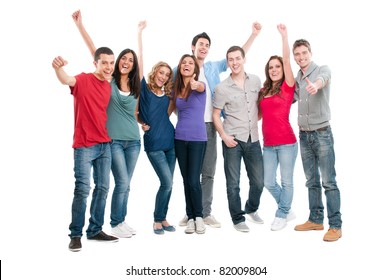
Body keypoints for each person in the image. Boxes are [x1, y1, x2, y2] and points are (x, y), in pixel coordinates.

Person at [177, 22, 262, 228]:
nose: (203, 47)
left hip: (210, 126)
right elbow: (170, 93)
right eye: (200, 44)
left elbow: (236, 59)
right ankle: (191, 213)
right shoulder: (182, 67)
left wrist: (253, 35)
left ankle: (205, 213)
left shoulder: (213, 66)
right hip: (188, 128)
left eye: (207, 45)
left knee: (208, 171)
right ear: (193, 47)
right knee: (189, 174)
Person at [72, 10, 141, 238]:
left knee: (125, 183)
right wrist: (81, 26)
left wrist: (144, 122)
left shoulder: (135, 85)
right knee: (120, 181)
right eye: (123, 58)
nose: (125, 62)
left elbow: (135, 112)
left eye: (130, 61)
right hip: (110, 140)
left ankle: (119, 220)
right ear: (115, 61)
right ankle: (114, 222)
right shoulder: (107, 79)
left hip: (133, 139)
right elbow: (95, 52)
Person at [52, 48, 119, 252]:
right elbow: (66, 80)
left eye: (111, 63)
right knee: (82, 189)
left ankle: (95, 230)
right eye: (104, 63)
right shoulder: (83, 80)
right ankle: (75, 235)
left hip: (104, 144)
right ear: (95, 63)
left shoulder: (108, 85)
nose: (108, 67)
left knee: (103, 188)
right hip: (84, 145)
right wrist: (58, 68)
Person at [292, 39, 343, 242]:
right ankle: (315, 219)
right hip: (304, 135)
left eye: (304, 53)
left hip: (322, 134)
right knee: (311, 181)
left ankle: (336, 226)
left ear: (310, 53)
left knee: (328, 181)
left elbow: (324, 78)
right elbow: (292, 95)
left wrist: (316, 85)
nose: (301, 57)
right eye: (297, 54)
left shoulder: (322, 69)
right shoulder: (298, 76)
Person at [212, 46, 264, 232]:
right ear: (228, 62)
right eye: (231, 60)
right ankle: (237, 218)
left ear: (244, 59)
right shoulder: (221, 88)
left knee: (259, 182)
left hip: (254, 139)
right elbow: (216, 114)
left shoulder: (256, 81)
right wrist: (224, 136)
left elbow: (260, 106)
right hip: (232, 140)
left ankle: (251, 208)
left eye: (237, 58)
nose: (234, 62)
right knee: (233, 183)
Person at [137, 21, 176, 235]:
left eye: (167, 75)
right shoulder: (144, 89)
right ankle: (156, 220)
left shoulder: (167, 94)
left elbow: (165, 115)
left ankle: (163, 217)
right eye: (161, 73)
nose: (163, 76)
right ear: (155, 72)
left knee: (168, 184)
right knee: (167, 182)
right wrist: (139, 34)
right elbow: (140, 62)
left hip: (171, 142)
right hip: (153, 145)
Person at [258, 24, 298, 231]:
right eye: (271, 67)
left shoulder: (287, 85)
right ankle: (287, 208)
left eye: (277, 66)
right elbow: (256, 115)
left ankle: (282, 213)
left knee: (287, 181)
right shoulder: (264, 90)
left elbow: (286, 59)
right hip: (269, 145)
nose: (274, 69)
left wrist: (284, 36)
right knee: (268, 182)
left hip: (287, 143)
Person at [170, 54, 207, 234]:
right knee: (186, 180)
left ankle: (199, 217)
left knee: (194, 180)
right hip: (179, 139)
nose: (187, 65)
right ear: (180, 67)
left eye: (190, 63)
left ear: (195, 69)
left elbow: (199, 86)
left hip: (198, 140)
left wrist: (195, 84)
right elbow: (167, 111)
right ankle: (190, 217)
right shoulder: (175, 90)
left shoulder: (201, 87)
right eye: (183, 62)